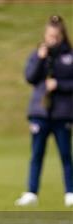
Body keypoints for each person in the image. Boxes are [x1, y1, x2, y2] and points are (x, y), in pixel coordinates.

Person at [16, 15, 73, 207]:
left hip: (62, 113)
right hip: (40, 112)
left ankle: (70, 192)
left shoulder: (69, 57)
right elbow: (30, 77)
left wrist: (59, 84)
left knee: (66, 154)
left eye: (56, 36)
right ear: (45, 35)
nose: (52, 40)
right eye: (50, 36)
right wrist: (40, 59)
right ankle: (31, 192)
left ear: (62, 35)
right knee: (37, 154)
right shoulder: (38, 54)